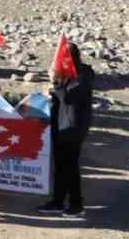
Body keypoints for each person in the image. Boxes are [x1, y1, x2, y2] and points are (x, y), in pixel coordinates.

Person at [40, 42, 94, 219]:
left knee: (70, 166)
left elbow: (69, 97)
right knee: (60, 165)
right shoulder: (64, 74)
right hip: (59, 125)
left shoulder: (84, 74)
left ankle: (76, 204)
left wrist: (55, 83)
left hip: (73, 127)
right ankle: (58, 201)